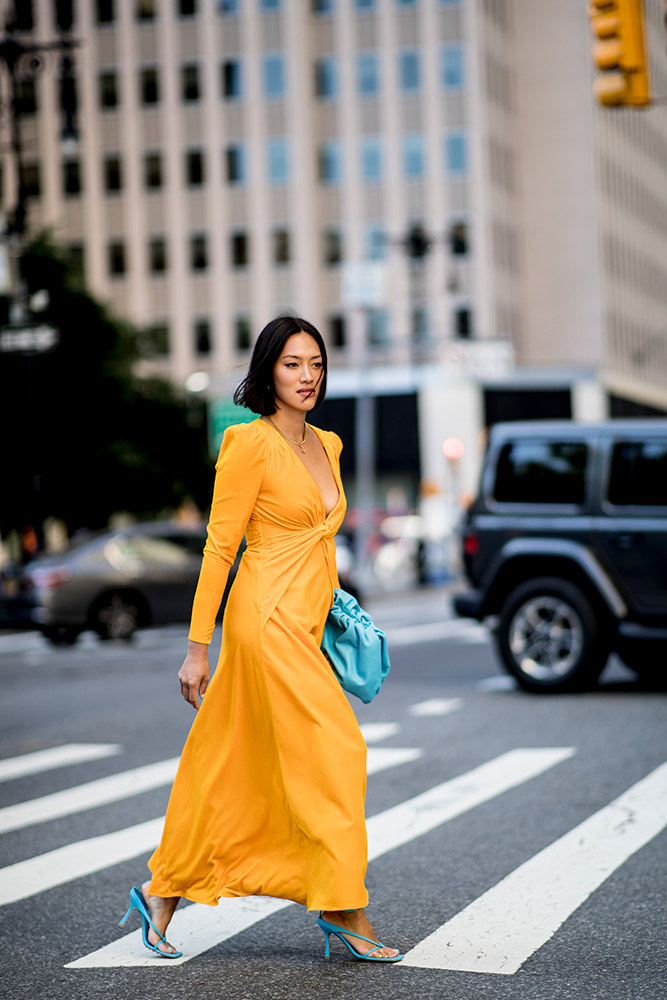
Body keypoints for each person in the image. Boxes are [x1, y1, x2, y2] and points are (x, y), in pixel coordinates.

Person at [119, 316, 402, 963]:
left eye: (316, 365)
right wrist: (198, 647)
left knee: (232, 763)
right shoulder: (247, 443)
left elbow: (320, 546)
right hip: (264, 618)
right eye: (292, 364)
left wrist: (336, 613)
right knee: (337, 752)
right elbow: (220, 547)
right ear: (267, 370)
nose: (307, 377)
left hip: (306, 619)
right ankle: (344, 909)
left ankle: (160, 892)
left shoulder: (326, 444)